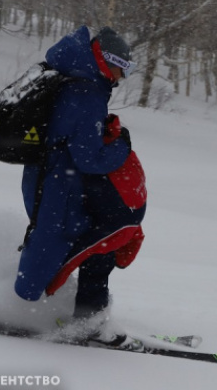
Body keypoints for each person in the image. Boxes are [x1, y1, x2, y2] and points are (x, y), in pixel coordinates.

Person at [14, 26, 145, 342]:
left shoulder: (80, 79)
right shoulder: (86, 92)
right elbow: (90, 158)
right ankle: (18, 310)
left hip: (56, 178)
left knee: (91, 245)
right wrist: (122, 145)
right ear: (105, 59)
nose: (122, 77)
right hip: (60, 184)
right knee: (64, 245)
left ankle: (87, 317)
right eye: (121, 69)